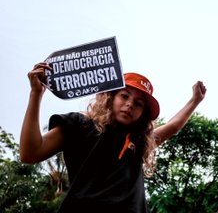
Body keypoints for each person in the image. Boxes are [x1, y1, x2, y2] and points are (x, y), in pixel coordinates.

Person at [20, 62, 206, 213]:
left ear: (143, 113)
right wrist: (36, 94)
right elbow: (30, 153)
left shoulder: (138, 141)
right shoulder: (80, 125)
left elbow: (172, 127)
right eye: (124, 96)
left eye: (138, 104)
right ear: (110, 97)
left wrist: (195, 100)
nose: (129, 104)